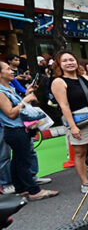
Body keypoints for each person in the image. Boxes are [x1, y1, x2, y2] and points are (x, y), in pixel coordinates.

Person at [51, 51, 88, 192]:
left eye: (71, 59)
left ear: (77, 62)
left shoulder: (85, 78)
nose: (69, 63)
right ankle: (85, 182)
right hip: (77, 121)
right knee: (80, 152)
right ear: (59, 64)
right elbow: (64, 105)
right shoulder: (58, 82)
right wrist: (72, 126)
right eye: (65, 60)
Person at [0, 61, 58, 200]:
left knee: (18, 160)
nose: (12, 71)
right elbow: (11, 113)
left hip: (19, 130)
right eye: (8, 69)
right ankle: (34, 191)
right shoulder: (1, 92)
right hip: (15, 130)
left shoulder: (9, 88)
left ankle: (21, 188)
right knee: (23, 162)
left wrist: (27, 94)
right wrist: (25, 100)